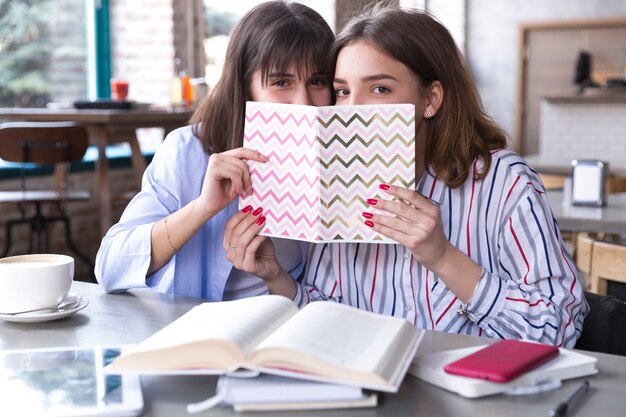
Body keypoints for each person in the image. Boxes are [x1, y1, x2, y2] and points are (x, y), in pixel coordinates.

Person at [228, 6, 587, 348]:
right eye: (342, 91)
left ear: (430, 99)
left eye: (380, 89)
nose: (351, 110)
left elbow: (559, 328)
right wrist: (276, 277)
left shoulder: (504, 182)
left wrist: (443, 257)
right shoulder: (336, 184)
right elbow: (326, 312)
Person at [94, 1, 334, 300]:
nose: (304, 102)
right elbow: (109, 267)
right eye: (281, 81)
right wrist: (202, 208)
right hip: (193, 327)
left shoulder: (337, 161)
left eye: (317, 81)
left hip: (287, 324)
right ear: (245, 87)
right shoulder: (187, 151)